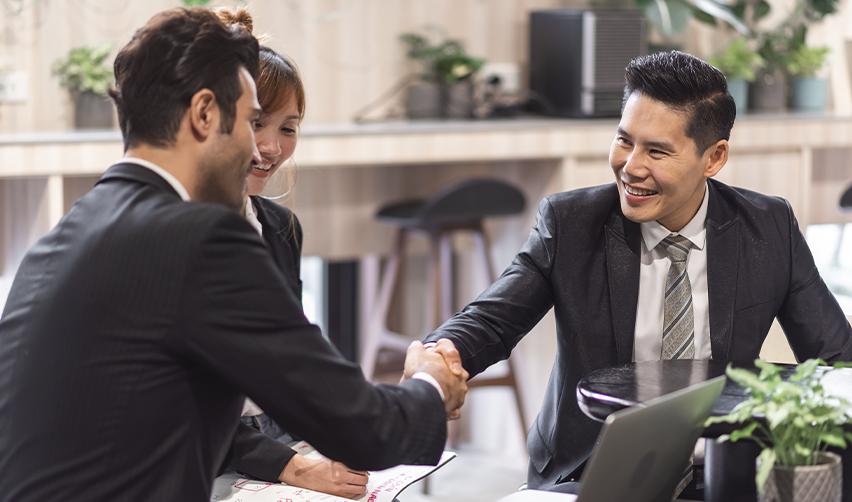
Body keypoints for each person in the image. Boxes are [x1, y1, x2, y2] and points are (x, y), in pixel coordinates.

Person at [0, 8, 467, 501]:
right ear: (205, 114)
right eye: (249, 121)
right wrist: (430, 385)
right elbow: (367, 430)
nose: (259, 148)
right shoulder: (199, 238)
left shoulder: (72, 230)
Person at [421, 51, 852, 489]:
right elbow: (492, 320)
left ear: (714, 157)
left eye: (657, 151)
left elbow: (838, 361)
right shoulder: (571, 222)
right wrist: (438, 355)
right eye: (625, 140)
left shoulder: (767, 226)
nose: (631, 167)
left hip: (724, 471)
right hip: (593, 470)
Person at [215, 9, 368, 498]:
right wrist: (292, 466)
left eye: (288, 128)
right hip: (209, 449)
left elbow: (292, 360)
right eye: (258, 123)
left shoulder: (280, 229)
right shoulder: (178, 238)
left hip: (275, 435)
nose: (271, 147)